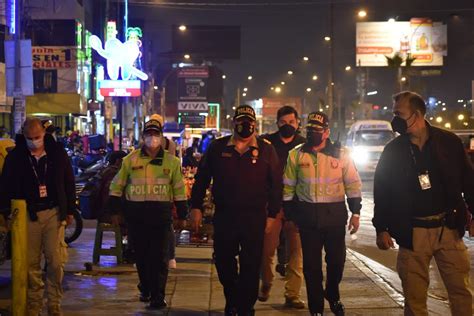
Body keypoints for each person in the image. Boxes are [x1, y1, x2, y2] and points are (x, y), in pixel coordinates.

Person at [373, 91, 473, 316]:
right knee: (414, 299)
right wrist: (381, 228)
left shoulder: (448, 142)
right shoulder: (393, 150)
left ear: (416, 115)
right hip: (413, 233)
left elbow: (468, 179)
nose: (395, 119)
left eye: (399, 113)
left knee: (461, 293)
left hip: (449, 230)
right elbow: (382, 191)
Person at [190, 105, 282, 316]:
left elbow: (276, 184)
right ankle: (232, 297)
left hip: (255, 217)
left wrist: (272, 215)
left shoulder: (266, 150)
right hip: (225, 216)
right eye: (241, 121)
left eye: (250, 122)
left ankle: (244, 307)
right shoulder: (217, 148)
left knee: (250, 265)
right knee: (223, 261)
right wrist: (195, 207)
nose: (246, 126)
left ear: (255, 125)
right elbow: (202, 179)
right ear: (234, 123)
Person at [283, 111, 362, 316]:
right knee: (311, 267)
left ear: (326, 132)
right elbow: (288, 188)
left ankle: (332, 294)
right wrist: (289, 216)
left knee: (337, 262)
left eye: (317, 130)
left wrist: (356, 212)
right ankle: (316, 308)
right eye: (309, 130)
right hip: (308, 218)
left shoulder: (341, 154)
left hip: (334, 217)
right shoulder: (296, 154)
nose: (313, 134)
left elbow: (352, 183)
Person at [108, 118, 188, 310]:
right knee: (141, 256)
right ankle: (146, 286)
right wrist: (115, 211)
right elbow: (116, 186)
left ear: (161, 138)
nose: (152, 138)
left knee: (160, 257)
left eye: (155, 134)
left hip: (160, 215)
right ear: (143, 137)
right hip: (136, 215)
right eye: (148, 134)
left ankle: (158, 295)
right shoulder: (131, 160)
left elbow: (179, 190)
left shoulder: (172, 162)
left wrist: (182, 215)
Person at [0, 118, 75, 316]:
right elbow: (5, 187)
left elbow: (68, 181)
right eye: (29, 138)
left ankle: (54, 304)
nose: (34, 141)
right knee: (30, 264)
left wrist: (70, 211)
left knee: (56, 260)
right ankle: (34, 306)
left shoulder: (57, 154)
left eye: (37, 137)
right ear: (23, 136)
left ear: (44, 134)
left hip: (53, 212)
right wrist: (7, 214)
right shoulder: (16, 157)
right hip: (27, 214)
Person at [258, 106, 306, 308]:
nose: (288, 126)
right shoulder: (267, 143)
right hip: (273, 206)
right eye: (283, 123)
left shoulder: (304, 145)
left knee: (296, 253)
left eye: (291, 122)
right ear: (277, 123)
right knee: (266, 249)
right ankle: (266, 282)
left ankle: (292, 294)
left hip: (297, 206)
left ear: (298, 123)